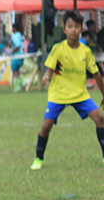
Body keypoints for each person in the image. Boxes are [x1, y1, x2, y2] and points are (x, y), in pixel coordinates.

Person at [30, 10, 104, 171]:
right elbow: (50, 67)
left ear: (81, 29)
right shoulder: (58, 48)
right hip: (59, 94)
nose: (73, 30)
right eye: (70, 26)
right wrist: (47, 76)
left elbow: (97, 74)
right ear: (64, 29)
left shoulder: (85, 51)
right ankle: (38, 158)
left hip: (80, 94)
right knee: (46, 126)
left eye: (76, 26)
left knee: (100, 118)